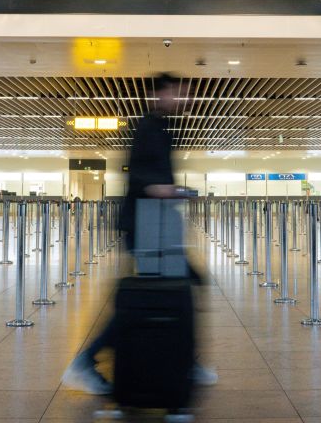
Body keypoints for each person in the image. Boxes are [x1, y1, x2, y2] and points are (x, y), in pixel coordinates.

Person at [62, 73, 216, 395]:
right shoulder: (148, 128)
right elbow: (146, 180)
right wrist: (175, 190)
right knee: (150, 300)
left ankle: (185, 361)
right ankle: (85, 362)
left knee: (176, 291)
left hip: (156, 226)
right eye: (179, 93)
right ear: (161, 93)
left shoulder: (160, 128)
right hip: (146, 229)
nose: (185, 100)